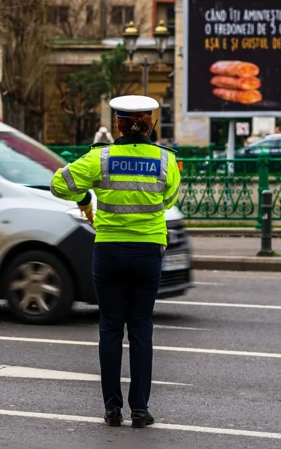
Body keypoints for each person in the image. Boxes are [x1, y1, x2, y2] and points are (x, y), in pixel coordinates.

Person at [50, 95, 181, 428]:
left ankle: (112, 409)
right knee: (140, 329)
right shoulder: (166, 161)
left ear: (119, 124)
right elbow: (167, 199)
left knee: (110, 329)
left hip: (108, 251)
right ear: (150, 123)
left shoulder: (101, 158)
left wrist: (85, 196)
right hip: (148, 251)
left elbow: (58, 184)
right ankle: (139, 409)